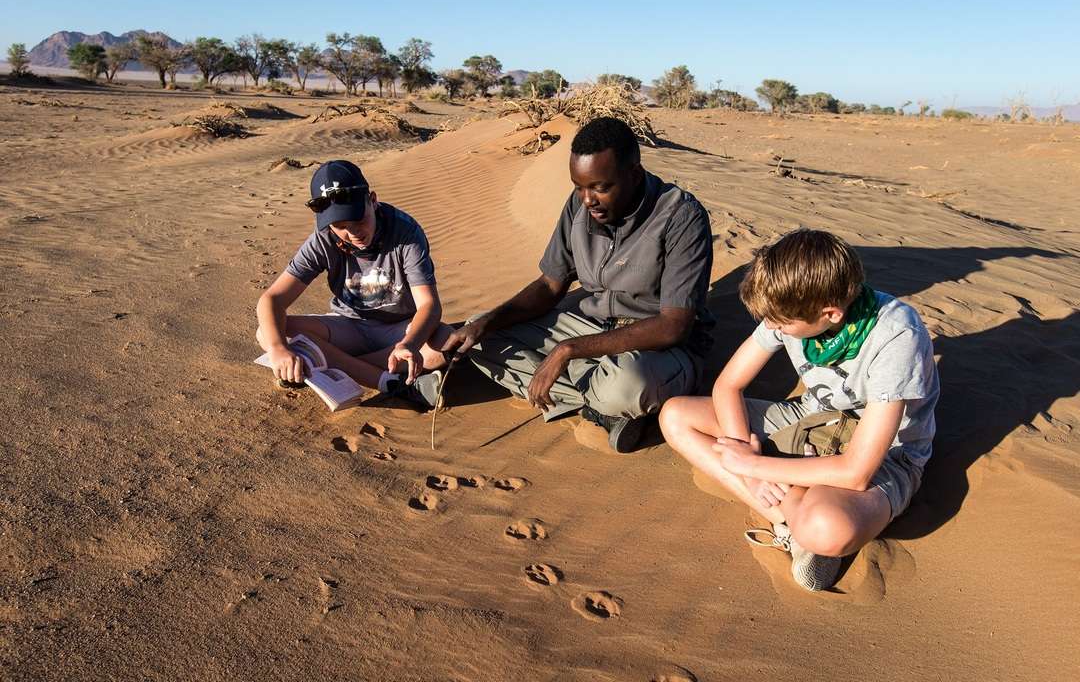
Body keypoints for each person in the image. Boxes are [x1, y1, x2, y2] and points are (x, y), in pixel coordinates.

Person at [659, 229, 939, 591]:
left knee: (826, 527)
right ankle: (788, 516)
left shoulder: (897, 334)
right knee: (676, 416)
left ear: (830, 313)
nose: (773, 328)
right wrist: (746, 459)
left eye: (781, 325)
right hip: (811, 419)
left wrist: (749, 464)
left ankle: (804, 519)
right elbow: (729, 385)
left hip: (886, 451)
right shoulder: (787, 306)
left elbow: (856, 472)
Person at [442, 117, 714, 452]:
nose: (588, 200)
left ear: (635, 174)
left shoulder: (681, 217)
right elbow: (549, 286)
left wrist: (568, 350)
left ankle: (606, 398)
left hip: (656, 345)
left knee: (625, 385)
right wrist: (483, 322)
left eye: (600, 187)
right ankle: (601, 408)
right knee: (483, 337)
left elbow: (674, 326)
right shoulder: (580, 206)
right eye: (578, 187)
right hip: (591, 326)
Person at [255, 159, 451, 408]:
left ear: (373, 200)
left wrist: (409, 343)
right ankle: (388, 382)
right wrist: (278, 349)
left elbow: (429, 306)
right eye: (340, 226)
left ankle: (326, 364)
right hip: (350, 326)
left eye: (359, 219)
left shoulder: (405, 232)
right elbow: (271, 300)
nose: (353, 232)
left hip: (399, 329)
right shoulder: (323, 239)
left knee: (446, 341)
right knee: (270, 332)